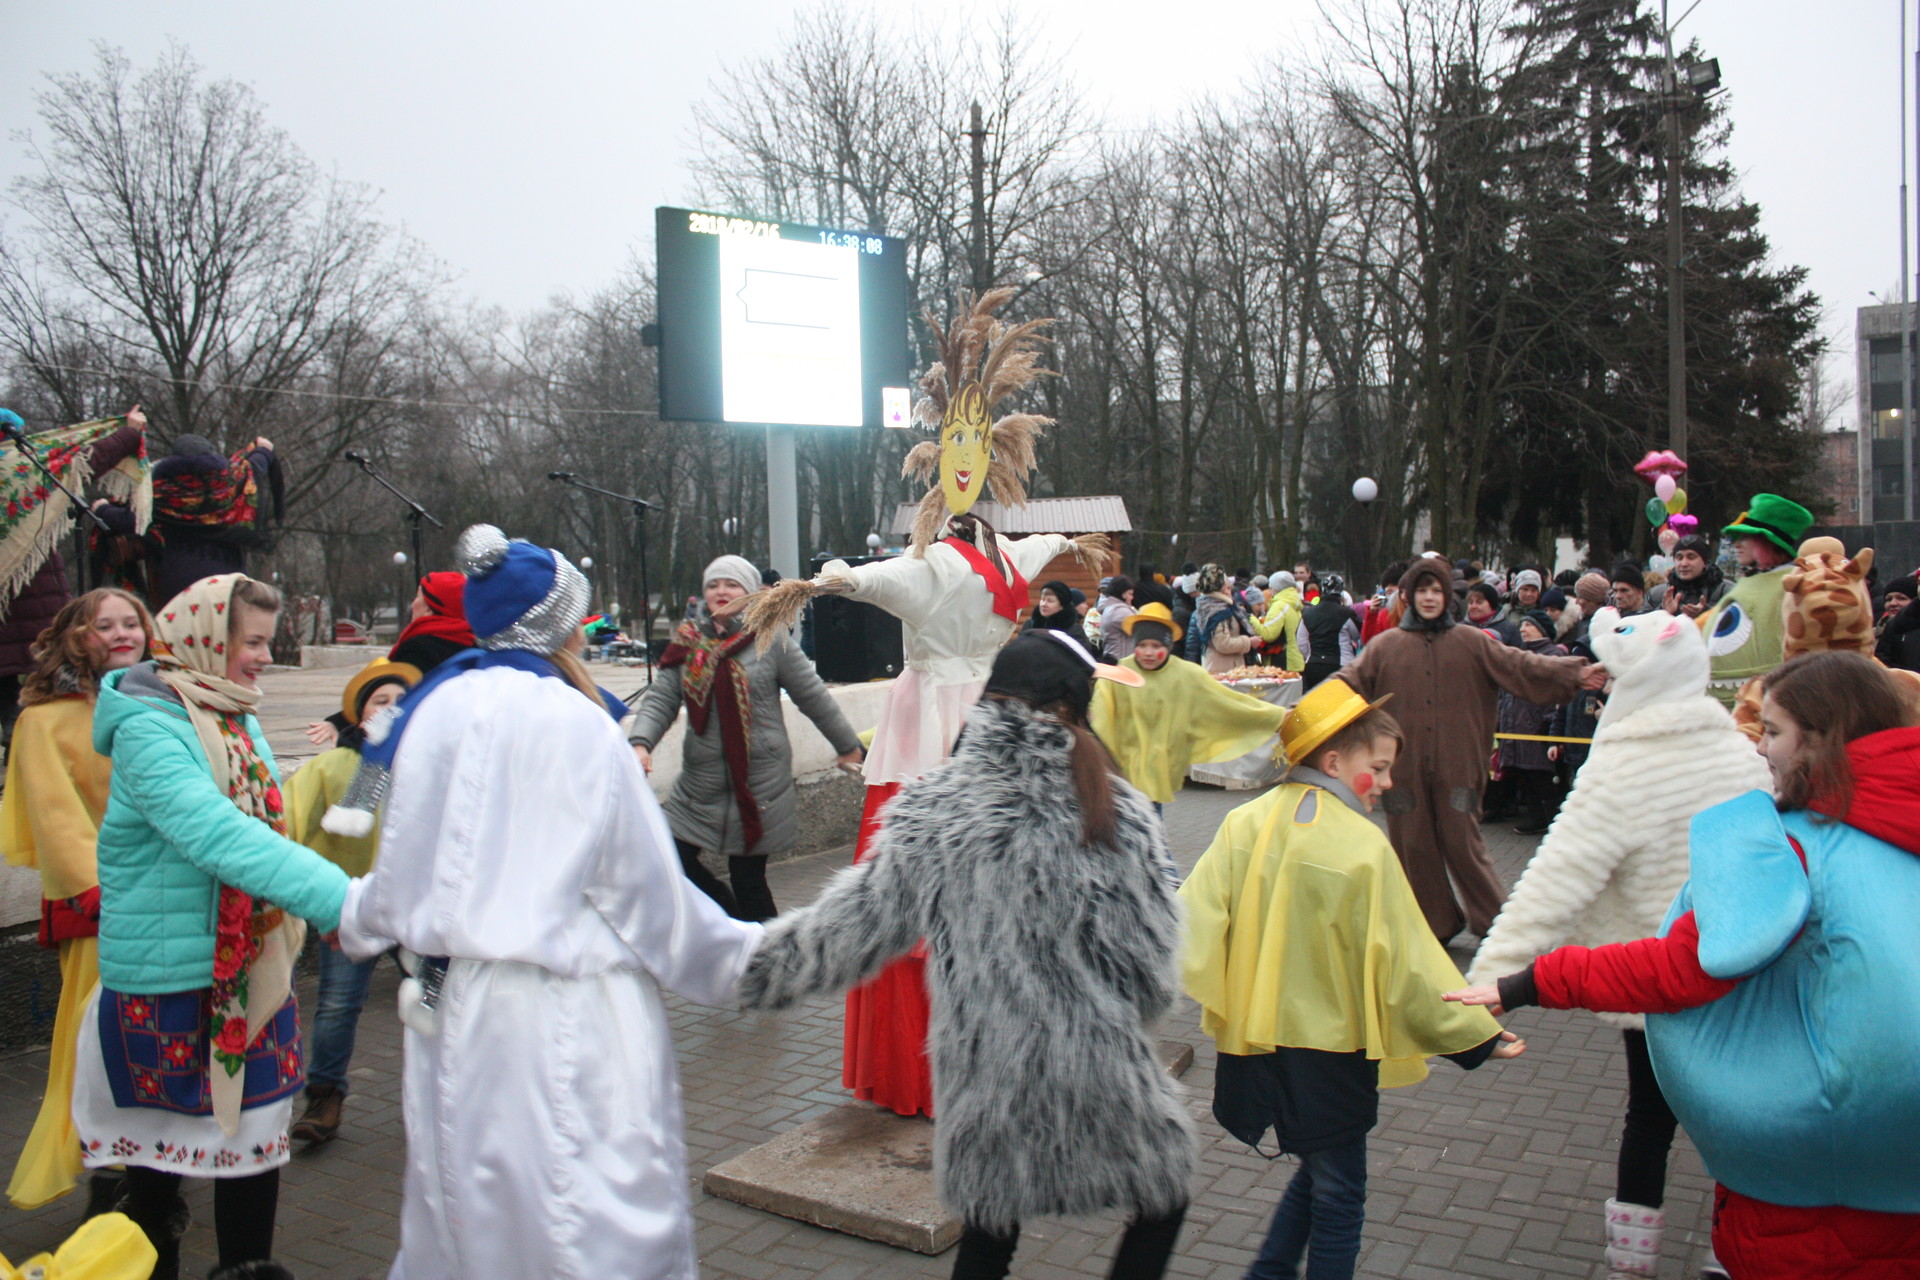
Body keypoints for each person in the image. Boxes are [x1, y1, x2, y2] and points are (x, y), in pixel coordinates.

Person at [334, 525, 763, 1280]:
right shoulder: (580, 722)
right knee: (581, 1225)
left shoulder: (434, 710)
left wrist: (360, 921)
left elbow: (400, 868)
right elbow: (646, 895)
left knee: (462, 1220)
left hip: (449, 1011)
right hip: (565, 1019)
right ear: (560, 624)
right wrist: (751, 961)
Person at [740, 288, 1098, 1119]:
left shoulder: (952, 562)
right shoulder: (1007, 555)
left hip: (936, 724)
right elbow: (1046, 547)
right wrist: (1075, 546)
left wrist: (833, 577)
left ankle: (932, 1068)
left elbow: (885, 579)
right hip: (995, 719)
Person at [1451, 651, 1920, 1280]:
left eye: (1774, 732)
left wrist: (1524, 980)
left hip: (1811, 1174)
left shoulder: (1795, 845)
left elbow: (1686, 962)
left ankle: (1631, 1260)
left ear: (1820, 738)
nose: (1760, 750)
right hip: (1903, 1162)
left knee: (1651, 1123)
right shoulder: (1898, 825)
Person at [740, 631, 1190, 1280]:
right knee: (1161, 1197)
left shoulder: (931, 807)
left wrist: (739, 965)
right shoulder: (1114, 809)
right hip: (1097, 1069)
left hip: (985, 1076)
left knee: (989, 1235)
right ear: (1072, 705)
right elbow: (1148, 978)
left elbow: (850, 928)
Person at [1181, 679, 1523, 1280]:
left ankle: (1270, 1269)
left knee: (1320, 1171)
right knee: (1341, 1192)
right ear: (1335, 762)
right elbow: (1406, 960)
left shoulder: (1245, 821)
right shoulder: (1364, 845)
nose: (1389, 782)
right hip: (1331, 1048)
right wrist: (1474, 1032)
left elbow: (1190, 915)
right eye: (1381, 767)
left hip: (1258, 1041)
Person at [1468, 607, 1770, 1278]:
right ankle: (1738, 1250)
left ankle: (1631, 1261)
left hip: (1652, 975)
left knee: (1650, 1121)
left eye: (1612, 676)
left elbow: (1555, 883)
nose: (1600, 686)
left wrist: (1489, 983)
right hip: (1745, 964)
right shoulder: (1742, 753)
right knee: (1746, 1116)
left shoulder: (1623, 768)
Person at [77, 574, 352, 1280]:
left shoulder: (230, 712)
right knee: (157, 1183)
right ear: (205, 641)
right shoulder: (148, 725)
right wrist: (339, 900)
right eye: (252, 642)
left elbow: (267, 824)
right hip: (172, 983)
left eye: (267, 640)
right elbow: (217, 836)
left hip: (245, 974)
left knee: (253, 1154)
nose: (264, 656)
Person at [1334, 558, 1603, 942]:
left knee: (1463, 842)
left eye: (1436, 591)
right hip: (1402, 770)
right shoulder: (1385, 646)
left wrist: (1576, 672)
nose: (1429, 598)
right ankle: (1434, 924)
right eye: (1422, 591)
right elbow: (1347, 682)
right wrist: (1306, 707)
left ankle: (1497, 925)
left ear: (1447, 597)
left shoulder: (1473, 642)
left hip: (1460, 765)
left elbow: (1522, 665)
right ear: (1408, 597)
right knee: (1412, 845)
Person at [1, 588, 153, 1213]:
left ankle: (156, 1168)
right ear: (74, 636)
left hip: (172, 903)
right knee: (99, 1040)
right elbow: (58, 822)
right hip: (105, 912)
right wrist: (112, 900)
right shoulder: (45, 719)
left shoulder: (167, 699)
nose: (122, 633)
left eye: (132, 622)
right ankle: (110, 1170)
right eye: (103, 624)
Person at [628, 555, 863, 922]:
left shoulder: (770, 639)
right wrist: (640, 744)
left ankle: (768, 956)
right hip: (699, 785)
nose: (721, 592)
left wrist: (847, 747)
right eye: (713, 585)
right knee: (671, 858)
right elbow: (661, 700)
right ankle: (732, 930)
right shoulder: (689, 643)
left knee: (749, 881)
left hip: (759, 785)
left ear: (752, 592)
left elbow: (813, 697)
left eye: (732, 584)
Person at [282, 659, 421, 1146]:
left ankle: (451, 1090)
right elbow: (287, 828)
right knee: (339, 1005)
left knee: (437, 1000)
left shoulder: (432, 765)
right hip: (349, 910)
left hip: (417, 910)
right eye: (379, 702)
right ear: (359, 716)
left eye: (401, 701)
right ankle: (324, 1095)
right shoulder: (332, 768)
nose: (391, 710)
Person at [0, 407, 148, 750]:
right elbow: (85, 461)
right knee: (43, 668)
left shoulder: (26, 463)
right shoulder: (23, 467)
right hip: (32, 588)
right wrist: (128, 432)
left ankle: (17, 732)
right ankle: (31, 741)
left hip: (21, 593)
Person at [1090, 603, 1292, 812]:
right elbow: (1101, 719)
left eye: (1156, 646)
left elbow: (1228, 702)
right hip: (1123, 769)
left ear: (1168, 646)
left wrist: (1275, 716)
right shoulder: (1118, 674)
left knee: (1151, 823)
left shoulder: (1186, 674)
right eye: (1142, 645)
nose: (1148, 653)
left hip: (1158, 768)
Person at [96, 434, 282, 609]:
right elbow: (255, 467)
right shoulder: (230, 487)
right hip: (231, 584)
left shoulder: (163, 492)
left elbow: (130, 520)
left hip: (180, 585)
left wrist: (102, 508)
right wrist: (263, 450)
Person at [1699, 494, 1813, 709]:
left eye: (1745, 538)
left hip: (1767, 704)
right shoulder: (1750, 581)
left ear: (1767, 542)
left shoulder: (1792, 584)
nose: (1736, 545)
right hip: (1724, 705)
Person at [1494, 612, 1570, 835]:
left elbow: (1554, 694)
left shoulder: (1552, 655)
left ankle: (1552, 818)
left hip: (1536, 726)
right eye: (1523, 625)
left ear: (1543, 630)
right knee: (1525, 775)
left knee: (1542, 777)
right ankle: (1537, 816)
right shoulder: (1518, 655)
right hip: (1516, 725)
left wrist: (1548, 723)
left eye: (1529, 625)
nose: (1523, 629)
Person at [1188, 564, 1259, 675]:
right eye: (1228, 588)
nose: (1230, 592)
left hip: (1226, 667)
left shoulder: (1217, 608)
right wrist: (1249, 642)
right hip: (1222, 671)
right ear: (1221, 590)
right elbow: (1223, 644)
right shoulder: (1216, 611)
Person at [1299, 575, 1362, 689]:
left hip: (1313, 664)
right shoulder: (1347, 613)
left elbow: (1301, 643)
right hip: (1341, 664)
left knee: (1316, 701)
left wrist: (1310, 655)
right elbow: (1357, 634)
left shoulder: (1307, 614)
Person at [1653, 535, 1729, 618]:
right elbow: (1641, 625)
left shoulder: (1726, 591)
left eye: (1691, 557)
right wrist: (1664, 613)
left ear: (1704, 562)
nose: (1684, 563)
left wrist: (1705, 614)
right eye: (1679, 557)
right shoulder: (1657, 594)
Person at [1253, 571, 1308, 672]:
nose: (1269, 592)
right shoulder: (1294, 602)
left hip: (1283, 662)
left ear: (1277, 588)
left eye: (1271, 587)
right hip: (1296, 659)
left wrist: (1251, 619)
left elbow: (1269, 635)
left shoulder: (1280, 605)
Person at [1100, 574, 1139, 660]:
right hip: (1122, 659)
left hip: (1113, 656)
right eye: (1130, 594)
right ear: (1123, 594)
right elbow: (1140, 629)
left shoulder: (1110, 608)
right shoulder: (1119, 611)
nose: (1132, 598)